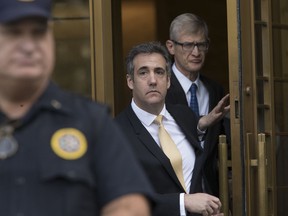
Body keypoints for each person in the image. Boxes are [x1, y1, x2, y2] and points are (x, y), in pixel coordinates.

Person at [0, 0, 153, 215]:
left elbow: (129, 206)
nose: (28, 46)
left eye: (38, 33)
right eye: (14, 33)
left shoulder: (91, 122)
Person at [115, 41, 229, 216]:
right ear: (130, 81)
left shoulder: (184, 115)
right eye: (143, 73)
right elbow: (122, 201)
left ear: (168, 81)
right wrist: (183, 202)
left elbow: (196, 169)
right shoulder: (116, 133)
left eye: (159, 72)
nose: (153, 80)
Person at [165, 13, 231, 196]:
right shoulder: (160, 89)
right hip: (174, 197)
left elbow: (220, 148)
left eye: (201, 44)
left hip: (211, 195)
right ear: (171, 47)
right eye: (187, 44)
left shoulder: (215, 90)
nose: (196, 52)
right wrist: (200, 124)